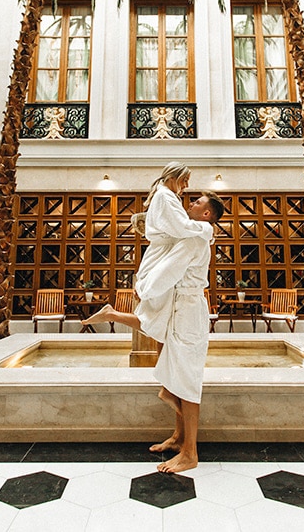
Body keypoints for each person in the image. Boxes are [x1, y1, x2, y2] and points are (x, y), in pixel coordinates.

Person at [82, 163, 225, 473]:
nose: (190, 202)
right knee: (176, 371)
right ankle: (178, 437)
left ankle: (190, 453)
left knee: (187, 380)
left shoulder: (193, 239)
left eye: (197, 202)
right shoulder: (191, 235)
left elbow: (166, 273)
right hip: (180, 307)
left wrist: (144, 289)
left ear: (206, 215)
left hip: (189, 312)